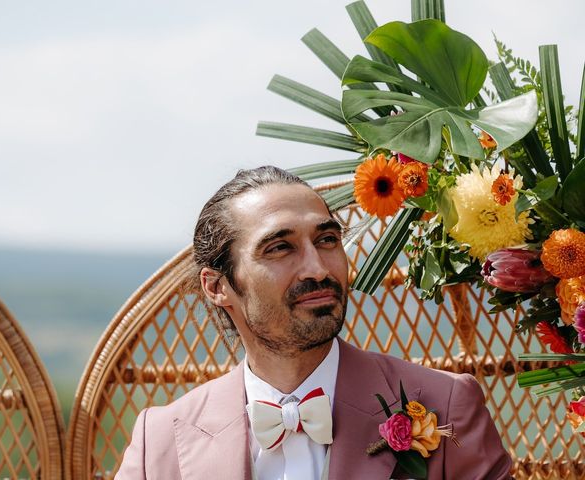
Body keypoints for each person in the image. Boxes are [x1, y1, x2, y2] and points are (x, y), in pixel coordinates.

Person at [116, 166, 513, 479]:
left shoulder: (444, 407)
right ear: (218, 286)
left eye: (327, 240)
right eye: (280, 248)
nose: (318, 268)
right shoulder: (161, 439)